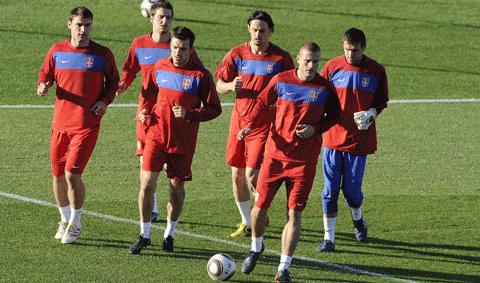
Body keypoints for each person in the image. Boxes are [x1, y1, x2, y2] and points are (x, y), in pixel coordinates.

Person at [238, 42, 340, 282]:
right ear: (298, 60)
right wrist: (249, 125)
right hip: (274, 157)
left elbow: (335, 115)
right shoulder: (281, 80)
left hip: (303, 163)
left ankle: (283, 268)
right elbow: (262, 103)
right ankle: (256, 247)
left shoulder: (325, 88)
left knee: (294, 214)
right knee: (260, 207)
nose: (311, 66)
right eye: (307, 61)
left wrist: (315, 128)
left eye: (315, 61)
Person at [128, 26, 222, 254]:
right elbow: (149, 94)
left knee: (176, 187)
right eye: (175, 48)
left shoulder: (200, 75)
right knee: (147, 185)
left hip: (182, 143)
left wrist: (190, 114)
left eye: (183, 49)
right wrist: (145, 111)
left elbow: (214, 109)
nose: (178, 53)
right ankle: (145, 234)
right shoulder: (159, 67)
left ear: (191, 49)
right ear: (170, 46)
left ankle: (170, 233)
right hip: (156, 137)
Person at [37, 7, 119, 244]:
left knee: (72, 173)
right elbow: (45, 75)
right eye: (79, 25)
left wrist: (104, 101)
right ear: (69, 25)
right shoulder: (57, 51)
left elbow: (113, 81)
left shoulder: (102, 54)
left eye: (88, 25)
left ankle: (76, 222)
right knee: (57, 175)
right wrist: (43, 85)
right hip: (60, 124)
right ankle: (64, 219)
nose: (84, 30)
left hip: (86, 125)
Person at [116, 0, 202, 223]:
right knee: (146, 161)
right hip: (146, 113)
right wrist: (123, 84)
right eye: (161, 17)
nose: (165, 22)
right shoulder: (139, 44)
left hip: (170, 116)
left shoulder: (178, 47)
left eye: (169, 18)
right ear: (151, 18)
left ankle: (170, 209)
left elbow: (198, 74)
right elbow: (129, 69)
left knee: (169, 166)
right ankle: (152, 209)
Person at [215, 10, 294, 238]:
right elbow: (218, 83)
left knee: (251, 174)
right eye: (255, 29)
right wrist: (230, 86)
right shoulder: (237, 54)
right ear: (249, 29)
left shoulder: (281, 59)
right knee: (237, 174)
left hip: (264, 125)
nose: (258, 34)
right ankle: (247, 221)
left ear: (270, 32)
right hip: (238, 121)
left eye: (263, 30)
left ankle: (261, 211)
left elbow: (291, 88)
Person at [316, 28, 389, 253]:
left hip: (358, 142)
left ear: (363, 48)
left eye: (354, 51)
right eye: (347, 49)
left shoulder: (376, 71)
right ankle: (329, 239)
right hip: (332, 139)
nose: (350, 55)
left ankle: (357, 218)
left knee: (352, 192)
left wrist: (372, 114)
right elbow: (321, 96)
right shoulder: (332, 67)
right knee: (329, 192)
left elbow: (382, 100)